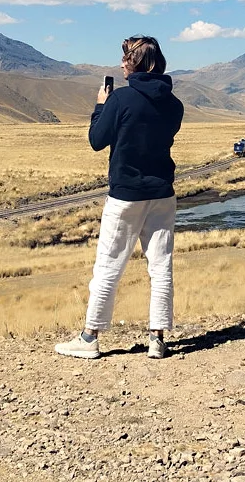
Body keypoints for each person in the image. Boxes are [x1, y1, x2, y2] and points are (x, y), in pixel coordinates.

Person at [55, 36, 185, 360]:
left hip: (126, 195)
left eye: (126, 58)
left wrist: (101, 105)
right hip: (163, 194)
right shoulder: (175, 105)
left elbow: (96, 140)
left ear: (136, 63)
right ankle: (158, 339)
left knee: (108, 266)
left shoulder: (121, 99)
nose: (122, 64)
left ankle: (89, 338)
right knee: (161, 266)